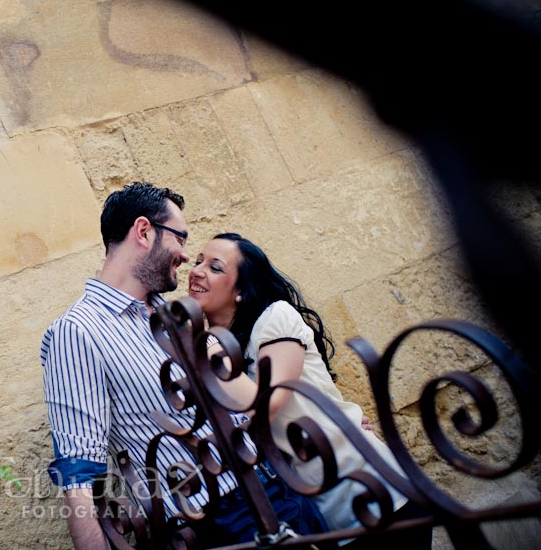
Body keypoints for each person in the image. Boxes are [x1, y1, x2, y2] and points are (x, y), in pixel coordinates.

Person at [41, 183, 328, 550]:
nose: (185, 254)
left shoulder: (175, 316)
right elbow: (78, 470)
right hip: (219, 519)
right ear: (144, 232)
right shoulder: (76, 331)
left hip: (281, 490)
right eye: (180, 238)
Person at [187, 233, 433, 549]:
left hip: (374, 493)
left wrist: (202, 342)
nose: (196, 270)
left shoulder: (274, 318)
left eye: (215, 267)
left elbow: (265, 405)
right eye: (197, 261)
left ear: (241, 291)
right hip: (323, 516)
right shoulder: (221, 350)